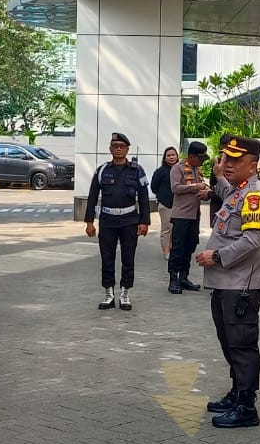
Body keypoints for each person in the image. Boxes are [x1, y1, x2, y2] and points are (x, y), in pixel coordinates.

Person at [197, 137, 260, 428]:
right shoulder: (238, 191)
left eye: (235, 161)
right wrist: (218, 178)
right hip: (226, 283)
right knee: (229, 341)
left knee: (242, 345)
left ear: (253, 165)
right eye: (226, 159)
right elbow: (228, 193)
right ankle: (236, 391)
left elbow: (254, 240)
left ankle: (246, 405)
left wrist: (216, 255)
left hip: (241, 284)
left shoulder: (254, 196)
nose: (228, 164)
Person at [83, 132, 151, 311]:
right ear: (110, 149)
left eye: (122, 146)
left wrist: (145, 222)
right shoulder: (102, 170)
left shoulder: (137, 170)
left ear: (127, 149)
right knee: (107, 258)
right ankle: (109, 294)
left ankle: (125, 294)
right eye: (115, 146)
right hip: (108, 220)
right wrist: (89, 221)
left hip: (129, 220)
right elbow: (92, 197)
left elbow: (144, 197)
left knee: (128, 258)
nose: (119, 149)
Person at [167, 141, 208, 293]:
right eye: (200, 159)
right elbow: (175, 188)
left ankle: (184, 277)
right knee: (178, 248)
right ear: (191, 156)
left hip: (194, 215)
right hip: (181, 216)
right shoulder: (178, 168)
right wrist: (195, 187)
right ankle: (173, 280)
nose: (202, 162)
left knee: (189, 247)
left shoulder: (196, 169)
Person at [151, 146, 179, 257]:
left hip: (180, 205)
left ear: (177, 156)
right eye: (169, 155)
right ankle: (166, 252)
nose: (171, 157)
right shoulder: (160, 171)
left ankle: (174, 249)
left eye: (173, 155)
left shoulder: (182, 169)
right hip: (166, 204)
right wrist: (162, 195)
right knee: (167, 229)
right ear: (165, 158)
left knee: (176, 229)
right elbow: (154, 187)